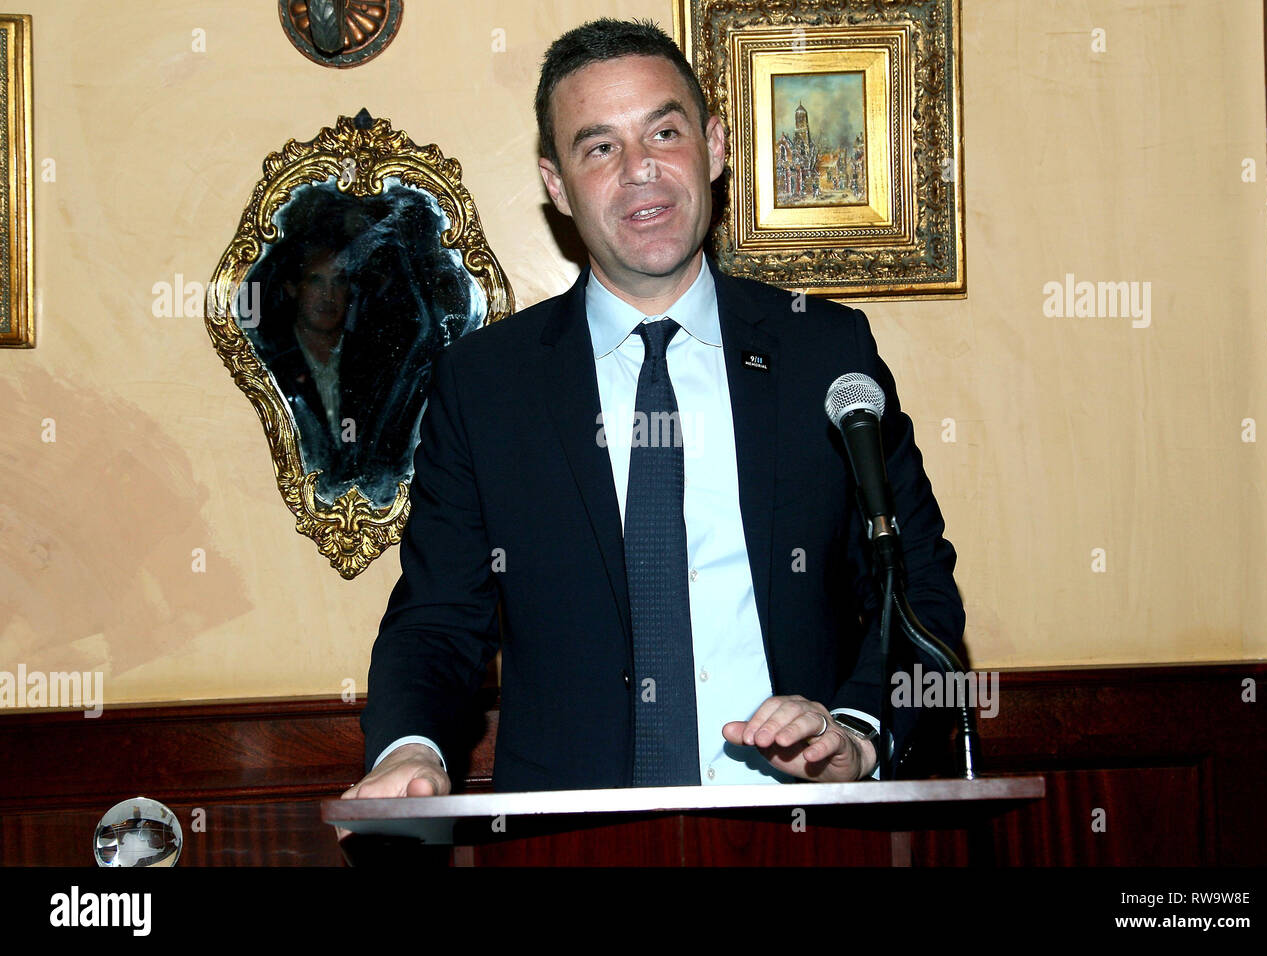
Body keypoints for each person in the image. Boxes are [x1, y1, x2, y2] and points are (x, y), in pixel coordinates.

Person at [343, 18, 964, 806]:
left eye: (664, 132)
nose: (641, 170)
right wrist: (413, 748)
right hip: (574, 850)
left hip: (808, 834)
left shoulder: (826, 351)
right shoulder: (485, 385)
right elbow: (437, 620)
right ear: (557, 185)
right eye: (600, 147)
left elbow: (917, 596)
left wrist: (856, 732)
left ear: (715, 146)